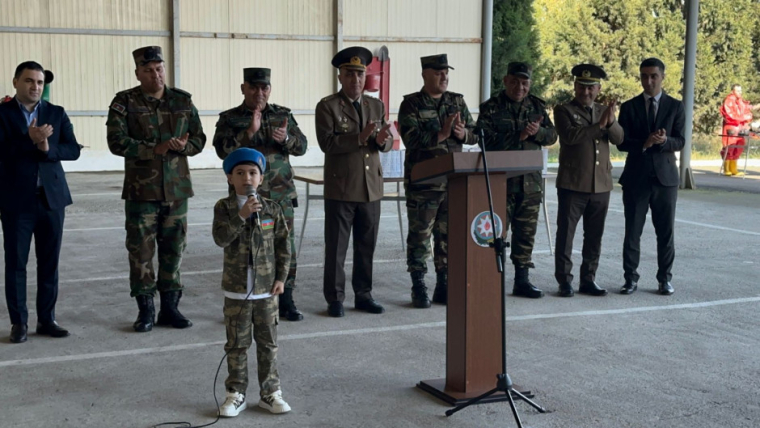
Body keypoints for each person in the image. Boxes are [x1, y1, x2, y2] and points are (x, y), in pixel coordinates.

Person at [106, 46, 207, 332]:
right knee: (141, 253)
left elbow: (199, 138)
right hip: (142, 192)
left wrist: (183, 146)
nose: (156, 75)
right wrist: (155, 148)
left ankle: (170, 309)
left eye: (159, 69)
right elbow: (116, 142)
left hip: (177, 191)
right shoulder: (124, 102)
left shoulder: (182, 101)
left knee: (174, 250)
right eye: (148, 70)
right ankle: (145, 310)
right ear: (137, 73)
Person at [213, 67, 308, 322]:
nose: (259, 92)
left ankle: (286, 299)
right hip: (246, 197)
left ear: (269, 89)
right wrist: (248, 134)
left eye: (264, 87)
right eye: (253, 87)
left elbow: (303, 146)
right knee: (245, 246)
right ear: (243, 88)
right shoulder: (230, 118)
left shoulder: (282, 115)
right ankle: (243, 298)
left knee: (284, 245)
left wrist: (286, 138)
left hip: (280, 196)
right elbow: (222, 150)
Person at [0, 61, 81, 343]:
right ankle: (19, 323)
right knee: (16, 264)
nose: (35, 86)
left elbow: (72, 150)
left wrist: (46, 147)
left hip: (51, 201)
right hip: (16, 202)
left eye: (39, 82)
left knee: (49, 264)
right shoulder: (3, 113)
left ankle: (47, 320)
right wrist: (28, 140)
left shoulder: (55, 113)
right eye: (29, 81)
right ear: (15, 82)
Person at [213, 147, 292, 417]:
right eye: (240, 173)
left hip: (266, 291)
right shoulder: (223, 208)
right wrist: (242, 215)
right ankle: (235, 394)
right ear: (229, 178)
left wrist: (282, 278)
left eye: (252, 173)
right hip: (236, 291)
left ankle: (270, 393)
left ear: (261, 178)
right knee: (236, 344)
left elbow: (284, 245)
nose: (247, 178)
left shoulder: (271, 207)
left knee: (268, 343)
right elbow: (221, 238)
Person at [315, 46, 394, 317]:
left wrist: (383, 141)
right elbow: (327, 143)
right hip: (342, 187)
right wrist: (359, 138)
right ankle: (335, 298)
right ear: (340, 77)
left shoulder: (376, 105)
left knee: (366, 246)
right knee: (336, 248)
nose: (356, 80)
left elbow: (385, 142)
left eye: (360, 74)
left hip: (371, 188)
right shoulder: (327, 106)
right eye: (350, 74)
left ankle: (364, 294)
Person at [397, 53, 478, 308]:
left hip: (453, 182)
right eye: (438, 73)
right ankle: (418, 284)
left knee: (448, 236)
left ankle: (444, 283)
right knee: (420, 236)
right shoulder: (411, 104)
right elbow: (410, 138)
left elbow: (476, 134)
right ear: (425, 74)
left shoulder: (457, 101)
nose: (444, 77)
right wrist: (441, 134)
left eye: (446, 73)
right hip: (424, 183)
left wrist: (463, 133)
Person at [477, 62, 557, 298]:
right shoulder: (491, 108)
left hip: (530, 183)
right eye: (515, 82)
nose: (520, 87)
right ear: (505, 81)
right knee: (495, 234)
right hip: (500, 184)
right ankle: (490, 281)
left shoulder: (537, 106)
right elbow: (484, 141)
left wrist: (537, 133)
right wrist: (518, 136)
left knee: (526, 234)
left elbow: (552, 136)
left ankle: (521, 280)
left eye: (524, 83)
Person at [553, 64, 623, 298]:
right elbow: (571, 136)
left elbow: (619, 139)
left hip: (600, 185)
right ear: (575, 86)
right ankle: (564, 280)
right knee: (566, 235)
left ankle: (588, 279)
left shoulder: (604, 110)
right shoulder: (563, 110)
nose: (586, 92)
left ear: (598, 88)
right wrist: (600, 125)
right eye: (582, 87)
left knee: (594, 236)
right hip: (573, 183)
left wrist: (610, 122)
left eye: (591, 88)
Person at [617, 57, 685, 296]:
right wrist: (644, 143)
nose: (649, 81)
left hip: (665, 179)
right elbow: (622, 143)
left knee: (665, 232)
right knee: (632, 231)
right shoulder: (629, 107)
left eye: (653, 76)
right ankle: (630, 279)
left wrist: (665, 141)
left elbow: (681, 140)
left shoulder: (676, 106)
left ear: (662, 77)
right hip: (636, 177)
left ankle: (664, 279)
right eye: (644, 76)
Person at [720, 84, 756, 176]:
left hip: (740, 127)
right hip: (731, 127)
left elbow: (747, 110)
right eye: (738, 91)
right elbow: (729, 115)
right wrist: (743, 117)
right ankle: (726, 168)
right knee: (729, 147)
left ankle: (733, 168)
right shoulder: (729, 100)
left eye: (740, 90)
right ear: (733, 91)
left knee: (738, 147)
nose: (740, 92)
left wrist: (747, 116)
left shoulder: (740, 101)